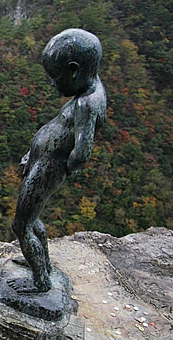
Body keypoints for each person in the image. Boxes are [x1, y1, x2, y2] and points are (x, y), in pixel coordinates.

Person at [10, 28, 107, 293]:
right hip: (43, 162)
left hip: (48, 168)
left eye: (56, 78)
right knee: (32, 217)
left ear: (74, 71)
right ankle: (42, 263)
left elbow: (82, 152)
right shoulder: (90, 91)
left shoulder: (87, 104)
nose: (53, 85)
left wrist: (57, 168)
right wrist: (34, 154)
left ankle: (41, 281)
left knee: (21, 224)